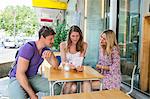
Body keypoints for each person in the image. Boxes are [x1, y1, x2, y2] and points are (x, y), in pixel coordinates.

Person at [8, 26, 60, 99]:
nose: (53, 41)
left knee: (56, 89)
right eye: (50, 39)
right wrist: (32, 95)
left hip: (32, 77)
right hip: (17, 78)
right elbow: (19, 74)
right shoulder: (28, 48)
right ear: (42, 37)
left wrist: (51, 55)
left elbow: (56, 66)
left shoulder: (45, 49)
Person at [60, 25, 91, 94]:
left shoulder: (84, 45)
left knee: (87, 82)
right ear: (69, 36)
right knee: (72, 87)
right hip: (66, 70)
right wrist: (69, 65)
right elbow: (63, 62)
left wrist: (79, 67)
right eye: (73, 36)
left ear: (80, 36)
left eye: (77, 36)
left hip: (77, 71)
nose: (75, 38)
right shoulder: (63, 45)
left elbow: (80, 61)